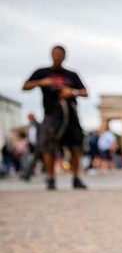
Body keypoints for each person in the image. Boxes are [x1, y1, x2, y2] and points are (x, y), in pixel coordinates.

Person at [23, 45, 88, 190]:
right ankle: (51, 177)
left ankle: (76, 177)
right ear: (51, 55)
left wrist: (72, 92)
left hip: (70, 115)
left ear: (65, 57)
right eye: (55, 54)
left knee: (76, 146)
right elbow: (25, 86)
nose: (57, 57)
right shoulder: (42, 72)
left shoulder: (72, 75)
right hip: (51, 113)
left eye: (60, 55)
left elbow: (85, 92)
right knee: (48, 146)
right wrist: (41, 82)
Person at [21, 113, 42, 181]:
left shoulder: (38, 125)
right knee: (31, 161)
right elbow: (30, 137)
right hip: (32, 147)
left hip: (38, 147)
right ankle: (26, 175)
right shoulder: (30, 126)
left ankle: (50, 176)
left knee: (32, 161)